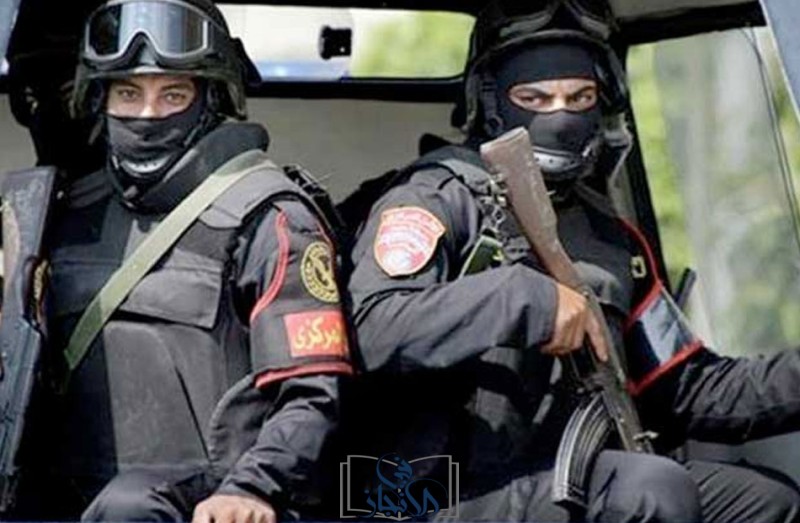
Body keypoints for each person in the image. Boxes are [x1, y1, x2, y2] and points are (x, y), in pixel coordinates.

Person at [346, 2, 800, 522]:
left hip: (564, 473)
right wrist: (530, 300)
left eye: (580, 97)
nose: (560, 115)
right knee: (650, 490)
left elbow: (686, 388)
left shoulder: (607, 232)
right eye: (534, 98)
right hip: (422, 490)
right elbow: (374, 327)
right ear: (490, 103)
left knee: (765, 502)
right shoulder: (435, 199)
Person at [8, 0, 353, 521]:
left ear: (210, 100)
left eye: (172, 94)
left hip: (215, 502)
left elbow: (312, 393)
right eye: (128, 93)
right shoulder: (59, 215)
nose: (147, 115)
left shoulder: (269, 218)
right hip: (65, 498)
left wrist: (252, 489)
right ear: (99, 100)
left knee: (128, 505)